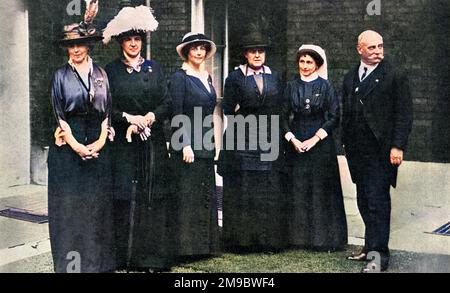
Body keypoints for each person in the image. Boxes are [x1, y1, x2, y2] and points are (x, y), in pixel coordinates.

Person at [103, 5, 172, 272]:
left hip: (151, 142)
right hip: (124, 144)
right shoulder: (111, 71)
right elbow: (106, 107)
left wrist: (151, 117)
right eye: (128, 40)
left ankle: (152, 258)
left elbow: (167, 102)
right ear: (121, 43)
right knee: (124, 196)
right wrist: (128, 119)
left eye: (137, 39)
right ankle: (125, 256)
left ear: (142, 42)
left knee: (151, 195)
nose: (133, 44)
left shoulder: (155, 68)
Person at [48, 1, 115, 273]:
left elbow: (107, 110)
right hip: (69, 149)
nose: (76, 49)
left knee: (95, 207)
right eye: (71, 45)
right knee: (70, 209)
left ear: (89, 45)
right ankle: (71, 267)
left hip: (97, 147)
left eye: (81, 44)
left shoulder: (101, 74)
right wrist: (77, 146)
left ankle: (96, 264)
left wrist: (99, 142)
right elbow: (58, 113)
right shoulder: (59, 76)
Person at [342, 30, 413, 271]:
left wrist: (398, 146)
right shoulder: (351, 77)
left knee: (378, 203)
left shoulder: (394, 75)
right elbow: (348, 113)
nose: (378, 52)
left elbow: (404, 114)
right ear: (359, 49)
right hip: (357, 152)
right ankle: (369, 247)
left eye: (380, 47)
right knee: (363, 200)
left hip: (381, 152)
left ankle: (379, 256)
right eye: (372, 48)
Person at [219, 31, 285, 252]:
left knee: (266, 188)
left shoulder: (274, 76)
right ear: (245, 54)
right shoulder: (235, 77)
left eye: (261, 51)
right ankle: (243, 242)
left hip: (269, 136)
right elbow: (228, 108)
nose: (257, 55)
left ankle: (267, 241)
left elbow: (279, 106)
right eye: (252, 51)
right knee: (244, 187)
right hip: (243, 137)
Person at [281, 45, 348, 252]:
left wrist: (315, 139)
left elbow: (334, 116)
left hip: (320, 143)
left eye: (309, 62)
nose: (305, 66)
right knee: (298, 186)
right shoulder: (291, 86)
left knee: (320, 189)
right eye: (302, 62)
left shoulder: (326, 86)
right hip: (297, 140)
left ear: (317, 65)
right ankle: (298, 238)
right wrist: (292, 139)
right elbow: (282, 116)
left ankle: (323, 240)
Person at [168, 32, 221, 260]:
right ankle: (186, 249)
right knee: (188, 196)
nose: (199, 52)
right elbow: (176, 113)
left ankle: (205, 246)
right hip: (188, 147)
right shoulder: (180, 78)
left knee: (204, 195)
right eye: (194, 48)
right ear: (187, 51)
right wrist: (185, 144)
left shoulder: (207, 77)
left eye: (202, 48)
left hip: (206, 144)